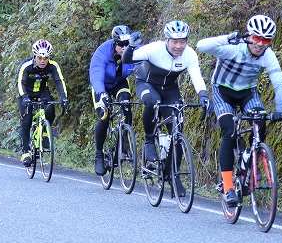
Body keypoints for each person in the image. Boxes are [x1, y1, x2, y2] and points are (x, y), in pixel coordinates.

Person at [196, 14, 282, 207]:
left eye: (266, 40)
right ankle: (228, 186)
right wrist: (228, 38)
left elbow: (279, 83)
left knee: (261, 122)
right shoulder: (233, 48)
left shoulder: (268, 55)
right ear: (248, 35)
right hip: (222, 90)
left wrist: (281, 109)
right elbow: (201, 46)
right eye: (257, 38)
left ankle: (251, 156)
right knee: (229, 131)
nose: (261, 44)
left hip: (248, 92)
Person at [122, 20, 211, 197]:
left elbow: (196, 76)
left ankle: (173, 175)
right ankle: (149, 140)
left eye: (183, 41)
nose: (179, 46)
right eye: (175, 42)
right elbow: (127, 59)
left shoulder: (189, 54)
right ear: (166, 39)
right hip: (147, 83)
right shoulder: (154, 49)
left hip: (170, 89)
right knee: (151, 101)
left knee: (177, 129)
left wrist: (203, 95)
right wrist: (130, 47)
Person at [89, 25, 138, 176]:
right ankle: (98, 155)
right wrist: (102, 93)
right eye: (121, 45)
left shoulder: (135, 50)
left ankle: (123, 138)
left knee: (126, 105)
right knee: (104, 117)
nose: (124, 48)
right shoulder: (102, 52)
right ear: (115, 43)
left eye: (127, 44)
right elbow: (96, 76)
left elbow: (145, 67)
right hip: (102, 85)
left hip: (120, 82)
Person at [16, 39, 69, 167]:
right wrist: (24, 97)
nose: (42, 61)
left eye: (46, 58)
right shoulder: (26, 65)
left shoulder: (53, 66)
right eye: (40, 57)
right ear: (35, 56)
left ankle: (44, 133)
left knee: (50, 109)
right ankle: (25, 151)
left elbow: (59, 81)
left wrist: (64, 97)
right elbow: (20, 83)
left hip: (41, 91)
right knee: (26, 120)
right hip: (26, 93)